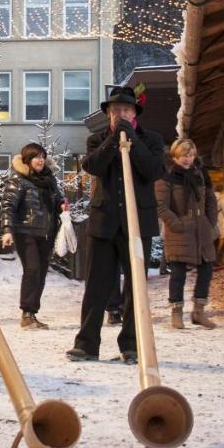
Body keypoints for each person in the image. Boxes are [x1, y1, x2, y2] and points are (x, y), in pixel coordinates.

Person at [67, 85, 165, 363]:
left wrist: (131, 138)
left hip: (138, 224)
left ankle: (132, 345)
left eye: (125, 110)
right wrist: (114, 139)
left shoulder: (152, 140)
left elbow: (153, 170)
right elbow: (93, 166)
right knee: (96, 286)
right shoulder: (97, 140)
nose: (119, 114)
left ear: (135, 113)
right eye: (114, 111)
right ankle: (87, 344)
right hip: (104, 223)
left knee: (136, 288)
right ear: (108, 115)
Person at [156, 138, 220, 330]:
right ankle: (176, 313)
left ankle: (199, 312)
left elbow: (210, 198)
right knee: (178, 272)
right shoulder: (166, 176)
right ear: (175, 155)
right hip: (180, 231)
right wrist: (178, 224)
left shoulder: (200, 173)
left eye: (191, 155)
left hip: (202, 229)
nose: (187, 159)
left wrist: (210, 222)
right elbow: (161, 206)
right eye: (184, 155)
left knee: (207, 268)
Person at [1, 142, 66, 330]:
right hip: (25, 231)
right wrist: (7, 230)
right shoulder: (18, 180)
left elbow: (58, 199)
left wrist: (62, 204)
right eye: (37, 157)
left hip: (46, 233)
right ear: (28, 160)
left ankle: (32, 313)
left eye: (43, 157)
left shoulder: (49, 181)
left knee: (42, 272)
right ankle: (27, 313)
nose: (41, 160)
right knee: (33, 269)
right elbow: (8, 206)